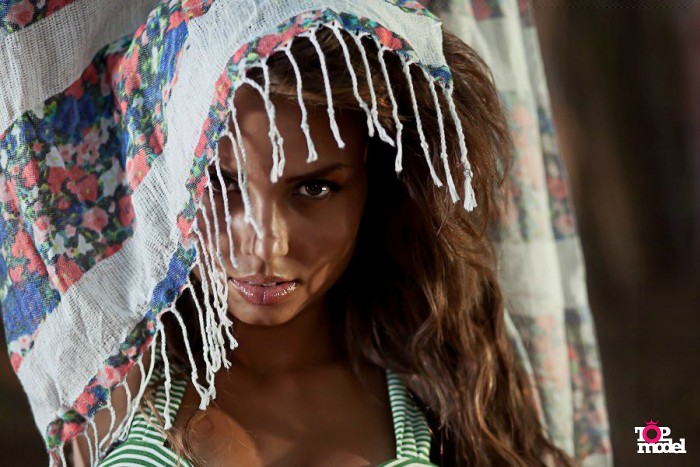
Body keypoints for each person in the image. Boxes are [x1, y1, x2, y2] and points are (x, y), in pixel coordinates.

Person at [0, 1, 589, 466]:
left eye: (314, 188)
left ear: (376, 187)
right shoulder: (107, 397)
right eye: (223, 184)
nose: (265, 245)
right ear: (167, 187)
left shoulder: (452, 391)